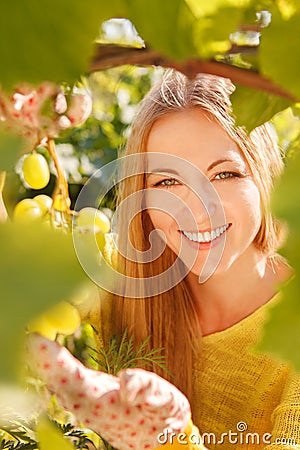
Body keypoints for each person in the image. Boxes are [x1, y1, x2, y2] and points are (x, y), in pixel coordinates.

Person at [29, 69, 298, 450]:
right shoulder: (113, 285)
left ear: (265, 176)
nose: (198, 211)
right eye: (167, 182)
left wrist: (172, 437)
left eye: (224, 174)